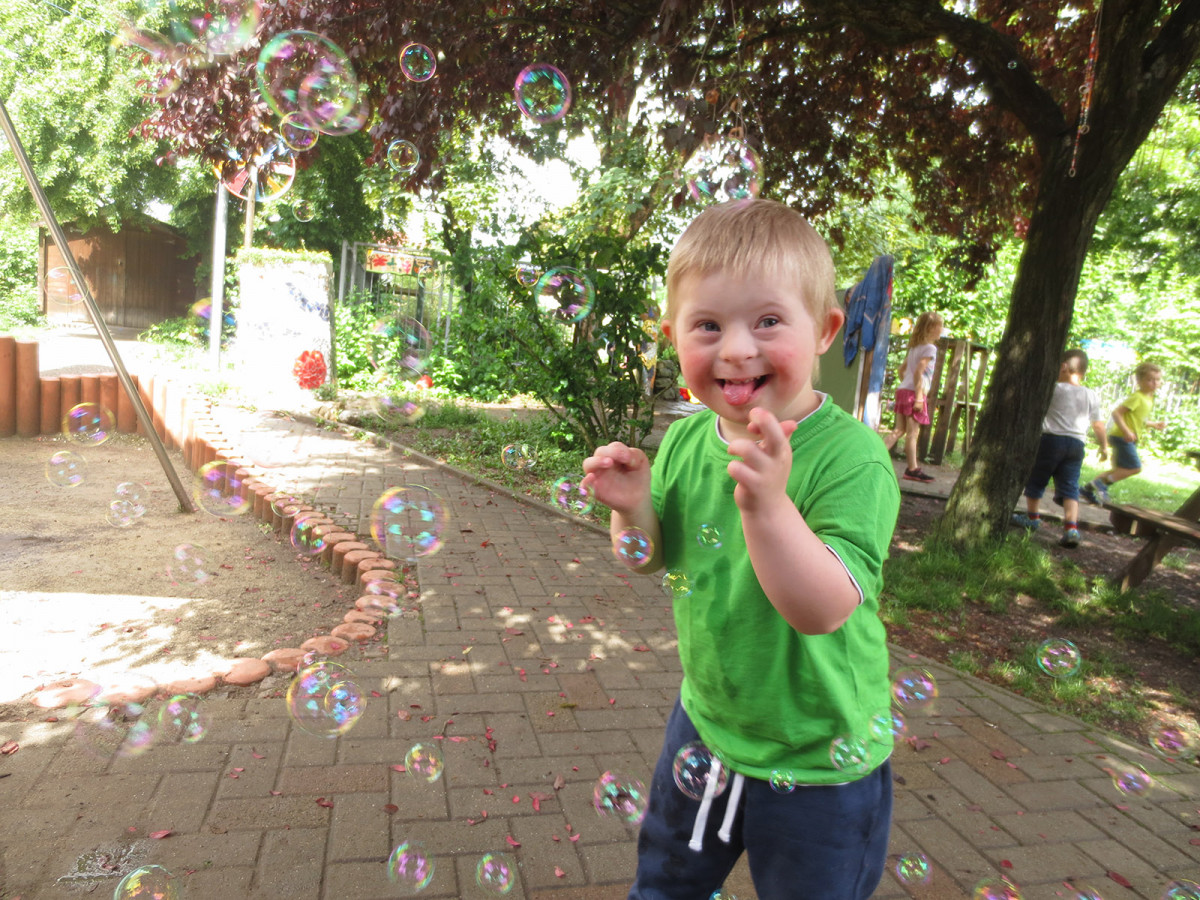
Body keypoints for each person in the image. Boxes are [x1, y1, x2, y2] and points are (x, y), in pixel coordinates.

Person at [582, 199, 900, 900]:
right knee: (663, 887)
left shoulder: (852, 459)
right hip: (707, 727)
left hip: (820, 759)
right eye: (707, 325)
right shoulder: (687, 440)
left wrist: (768, 506)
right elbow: (647, 557)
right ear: (672, 335)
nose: (735, 349)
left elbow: (822, 609)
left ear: (825, 330)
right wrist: (631, 507)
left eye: (768, 321)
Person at [1011, 349, 1108, 548]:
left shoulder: (1053, 389)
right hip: (1077, 445)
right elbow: (1098, 425)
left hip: (1051, 441)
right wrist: (1104, 446)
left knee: (1037, 479)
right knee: (1070, 486)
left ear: (1063, 367)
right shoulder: (1091, 395)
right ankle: (1071, 529)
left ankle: (1032, 518)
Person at [1082, 362, 1167, 505]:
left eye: (1157, 379)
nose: (1154, 383)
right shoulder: (1138, 397)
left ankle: (1086, 490)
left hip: (1126, 437)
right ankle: (1101, 485)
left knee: (1119, 470)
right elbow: (1117, 413)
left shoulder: (1148, 398)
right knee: (1135, 467)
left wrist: (1153, 424)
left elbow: (1137, 418)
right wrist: (1126, 431)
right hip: (1121, 437)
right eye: (1150, 379)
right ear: (1140, 381)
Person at [881, 311, 945, 483]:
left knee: (898, 430)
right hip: (914, 393)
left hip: (903, 390)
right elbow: (918, 372)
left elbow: (901, 370)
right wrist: (918, 396)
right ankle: (912, 469)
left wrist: (906, 384)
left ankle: (875, 455)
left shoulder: (914, 348)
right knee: (912, 434)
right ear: (931, 328)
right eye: (940, 326)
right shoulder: (930, 349)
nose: (942, 330)